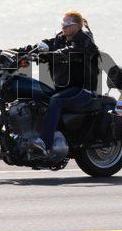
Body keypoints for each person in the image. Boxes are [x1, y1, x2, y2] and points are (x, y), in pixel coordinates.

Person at [19, 10, 100, 157]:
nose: (63, 26)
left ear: (77, 25)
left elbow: (69, 52)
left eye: (67, 23)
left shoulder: (85, 40)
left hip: (82, 90)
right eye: (62, 23)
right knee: (35, 97)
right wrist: (14, 53)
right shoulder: (59, 39)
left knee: (56, 101)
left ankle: (44, 144)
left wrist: (48, 56)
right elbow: (38, 47)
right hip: (63, 88)